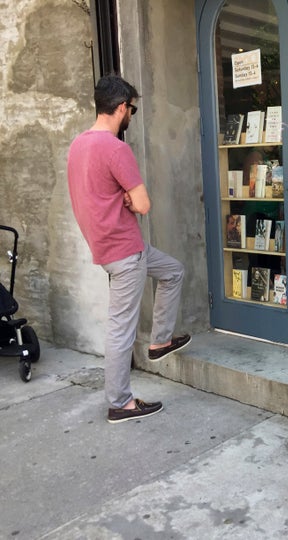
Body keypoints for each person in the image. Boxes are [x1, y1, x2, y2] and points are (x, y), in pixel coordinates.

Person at [67, 74, 191, 423]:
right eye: (132, 109)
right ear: (121, 107)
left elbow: (91, 195)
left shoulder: (78, 145)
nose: (131, 116)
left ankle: (160, 341)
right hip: (125, 252)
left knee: (173, 271)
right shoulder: (115, 148)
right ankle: (121, 402)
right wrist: (129, 200)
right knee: (121, 329)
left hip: (112, 246)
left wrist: (122, 199)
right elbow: (144, 204)